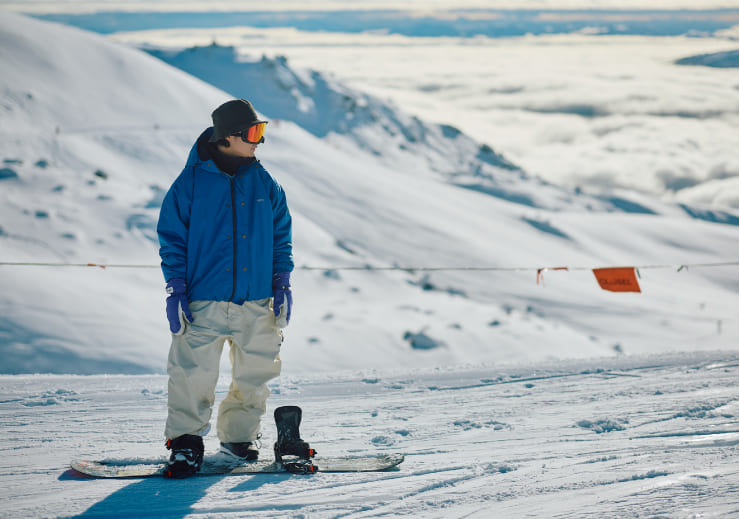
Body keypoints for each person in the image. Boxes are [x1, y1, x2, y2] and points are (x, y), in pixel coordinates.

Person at [156, 99, 293, 479]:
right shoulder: (189, 185)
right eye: (253, 133)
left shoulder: (265, 183)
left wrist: (282, 281)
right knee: (191, 374)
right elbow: (172, 238)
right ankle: (185, 443)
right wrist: (177, 288)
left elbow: (281, 236)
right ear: (227, 137)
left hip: (257, 299)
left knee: (255, 373)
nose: (259, 142)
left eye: (261, 132)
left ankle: (238, 438)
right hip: (203, 298)